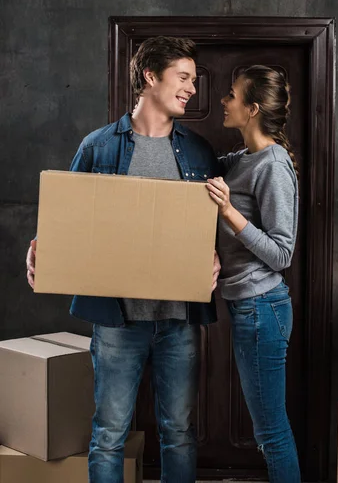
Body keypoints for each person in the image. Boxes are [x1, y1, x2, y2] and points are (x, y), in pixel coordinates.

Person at [26, 36, 221, 483]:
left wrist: (217, 260)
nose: (192, 88)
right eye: (184, 77)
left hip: (179, 322)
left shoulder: (198, 152)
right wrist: (40, 245)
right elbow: (66, 218)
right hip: (117, 323)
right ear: (150, 77)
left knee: (179, 433)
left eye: (194, 80)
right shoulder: (98, 147)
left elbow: (216, 229)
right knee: (109, 434)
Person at [206, 65, 301, 483]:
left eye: (231, 95)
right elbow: (200, 167)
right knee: (269, 430)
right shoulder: (241, 159)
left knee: (271, 433)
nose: (223, 101)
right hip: (248, 308)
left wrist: (228, 211)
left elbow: (282, 254)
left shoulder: (273, 166)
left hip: (263, 310)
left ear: (253, 108)